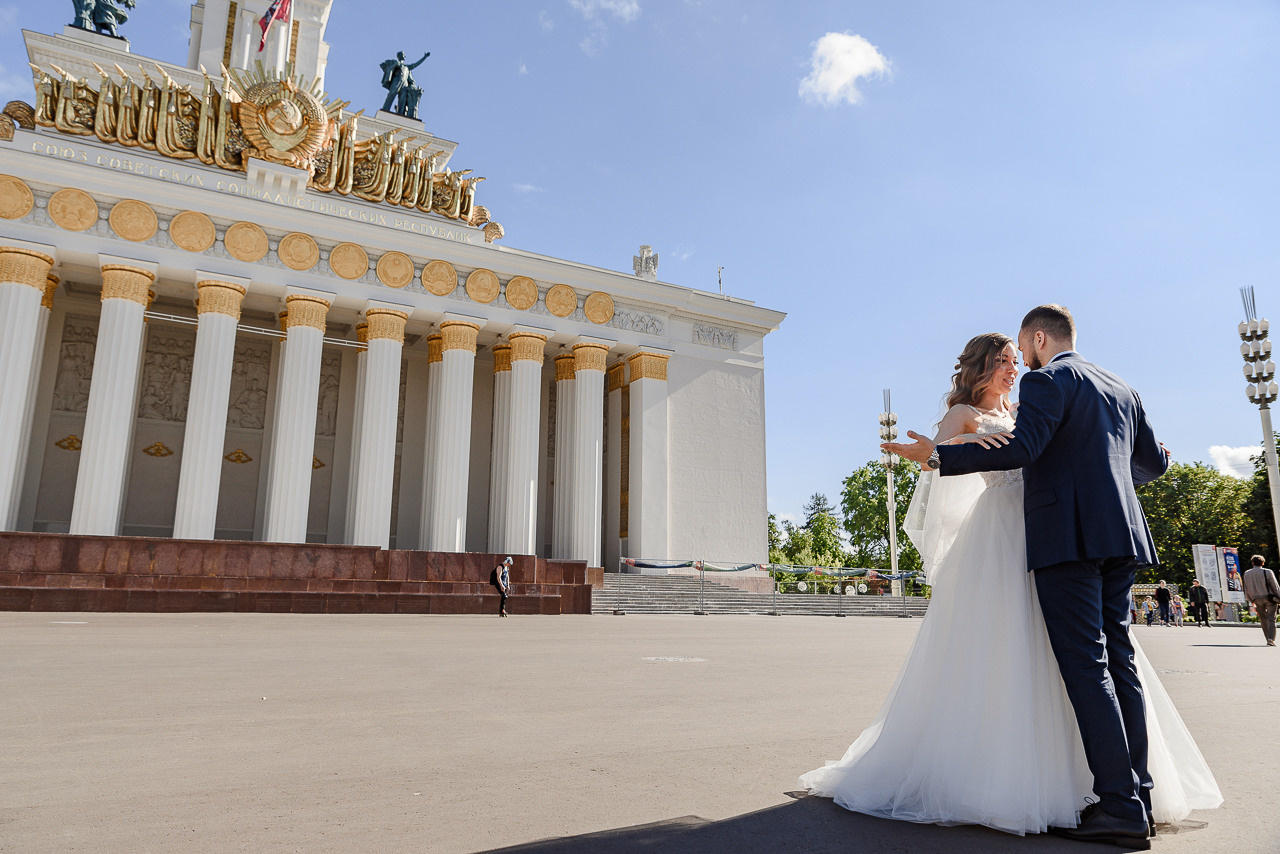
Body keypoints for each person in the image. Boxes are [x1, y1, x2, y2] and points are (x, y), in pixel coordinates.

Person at [803, 322, 1221, 845]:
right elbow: (1148, 462)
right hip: (1035, 538)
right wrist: (936, 454)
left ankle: (1119, 801)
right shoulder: (1116, 387)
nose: (1015, 365)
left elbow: (1025, 452)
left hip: (1056, 538)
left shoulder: (1042, 392)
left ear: (1038, 339)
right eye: (1003, 359)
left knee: (1089, 664)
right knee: (1094, 660)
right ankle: (1126, 792)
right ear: (980, 367)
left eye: (1016, 354)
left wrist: (940, 457)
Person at [1242, 554, 1280, 647]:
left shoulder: (1247, 573)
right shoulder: (1268, 572)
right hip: (1269, 598)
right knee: (1271, 619)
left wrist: (1251, 600)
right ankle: (1271, 639)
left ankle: (1267, 638)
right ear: (1263, 563)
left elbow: (1246, 588)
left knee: (1263, 619)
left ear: (1252, 563)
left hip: (1256, 599)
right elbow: (1275, 586)